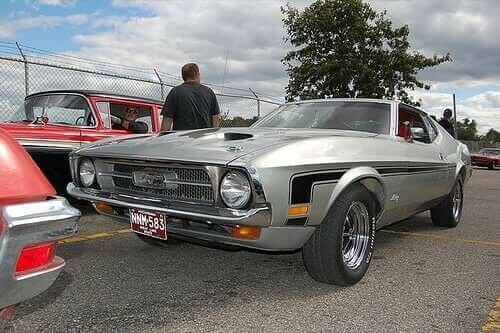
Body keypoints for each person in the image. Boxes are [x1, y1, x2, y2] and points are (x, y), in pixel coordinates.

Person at [160, 63, 221, 131]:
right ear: (197, 74)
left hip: (182, 138)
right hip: (204, 137)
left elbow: (167, 120)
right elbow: (216, 117)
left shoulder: (175, 92)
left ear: (183, 76)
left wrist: (162, 138)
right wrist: (212, 134)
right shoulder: (209, 92)